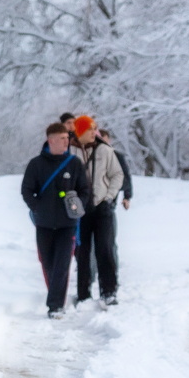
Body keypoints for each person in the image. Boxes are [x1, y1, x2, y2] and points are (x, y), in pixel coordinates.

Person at [21, 122, 93, 318]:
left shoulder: (74, 164)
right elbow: (26, 190)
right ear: (50, 140)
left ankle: (55, 306)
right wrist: (37, 207)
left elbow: (85, 190)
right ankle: (56, 297)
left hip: (68, 224)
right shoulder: (36, 164)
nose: (66, 142)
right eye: (62, 138)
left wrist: (78, 205)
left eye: (67, 138)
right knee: (48, 263)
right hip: (43, 224)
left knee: (62, 263)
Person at [70, 115, 125, 306]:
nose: (94, 132)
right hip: (80, 209)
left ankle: (109, 292)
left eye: (95, 129)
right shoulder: (70, 151)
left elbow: (117, 174)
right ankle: (83, 294)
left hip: (102, 206)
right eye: (90, 129)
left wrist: (109, 196)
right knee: (82, 252)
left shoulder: (104, 150)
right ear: (80, 131)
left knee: (105, 248)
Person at [99, 128, 132, 210]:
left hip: (109, 200)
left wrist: (127, 197)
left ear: (109, 141)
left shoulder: (117, 156)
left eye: (105, 141)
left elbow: (126, 176)